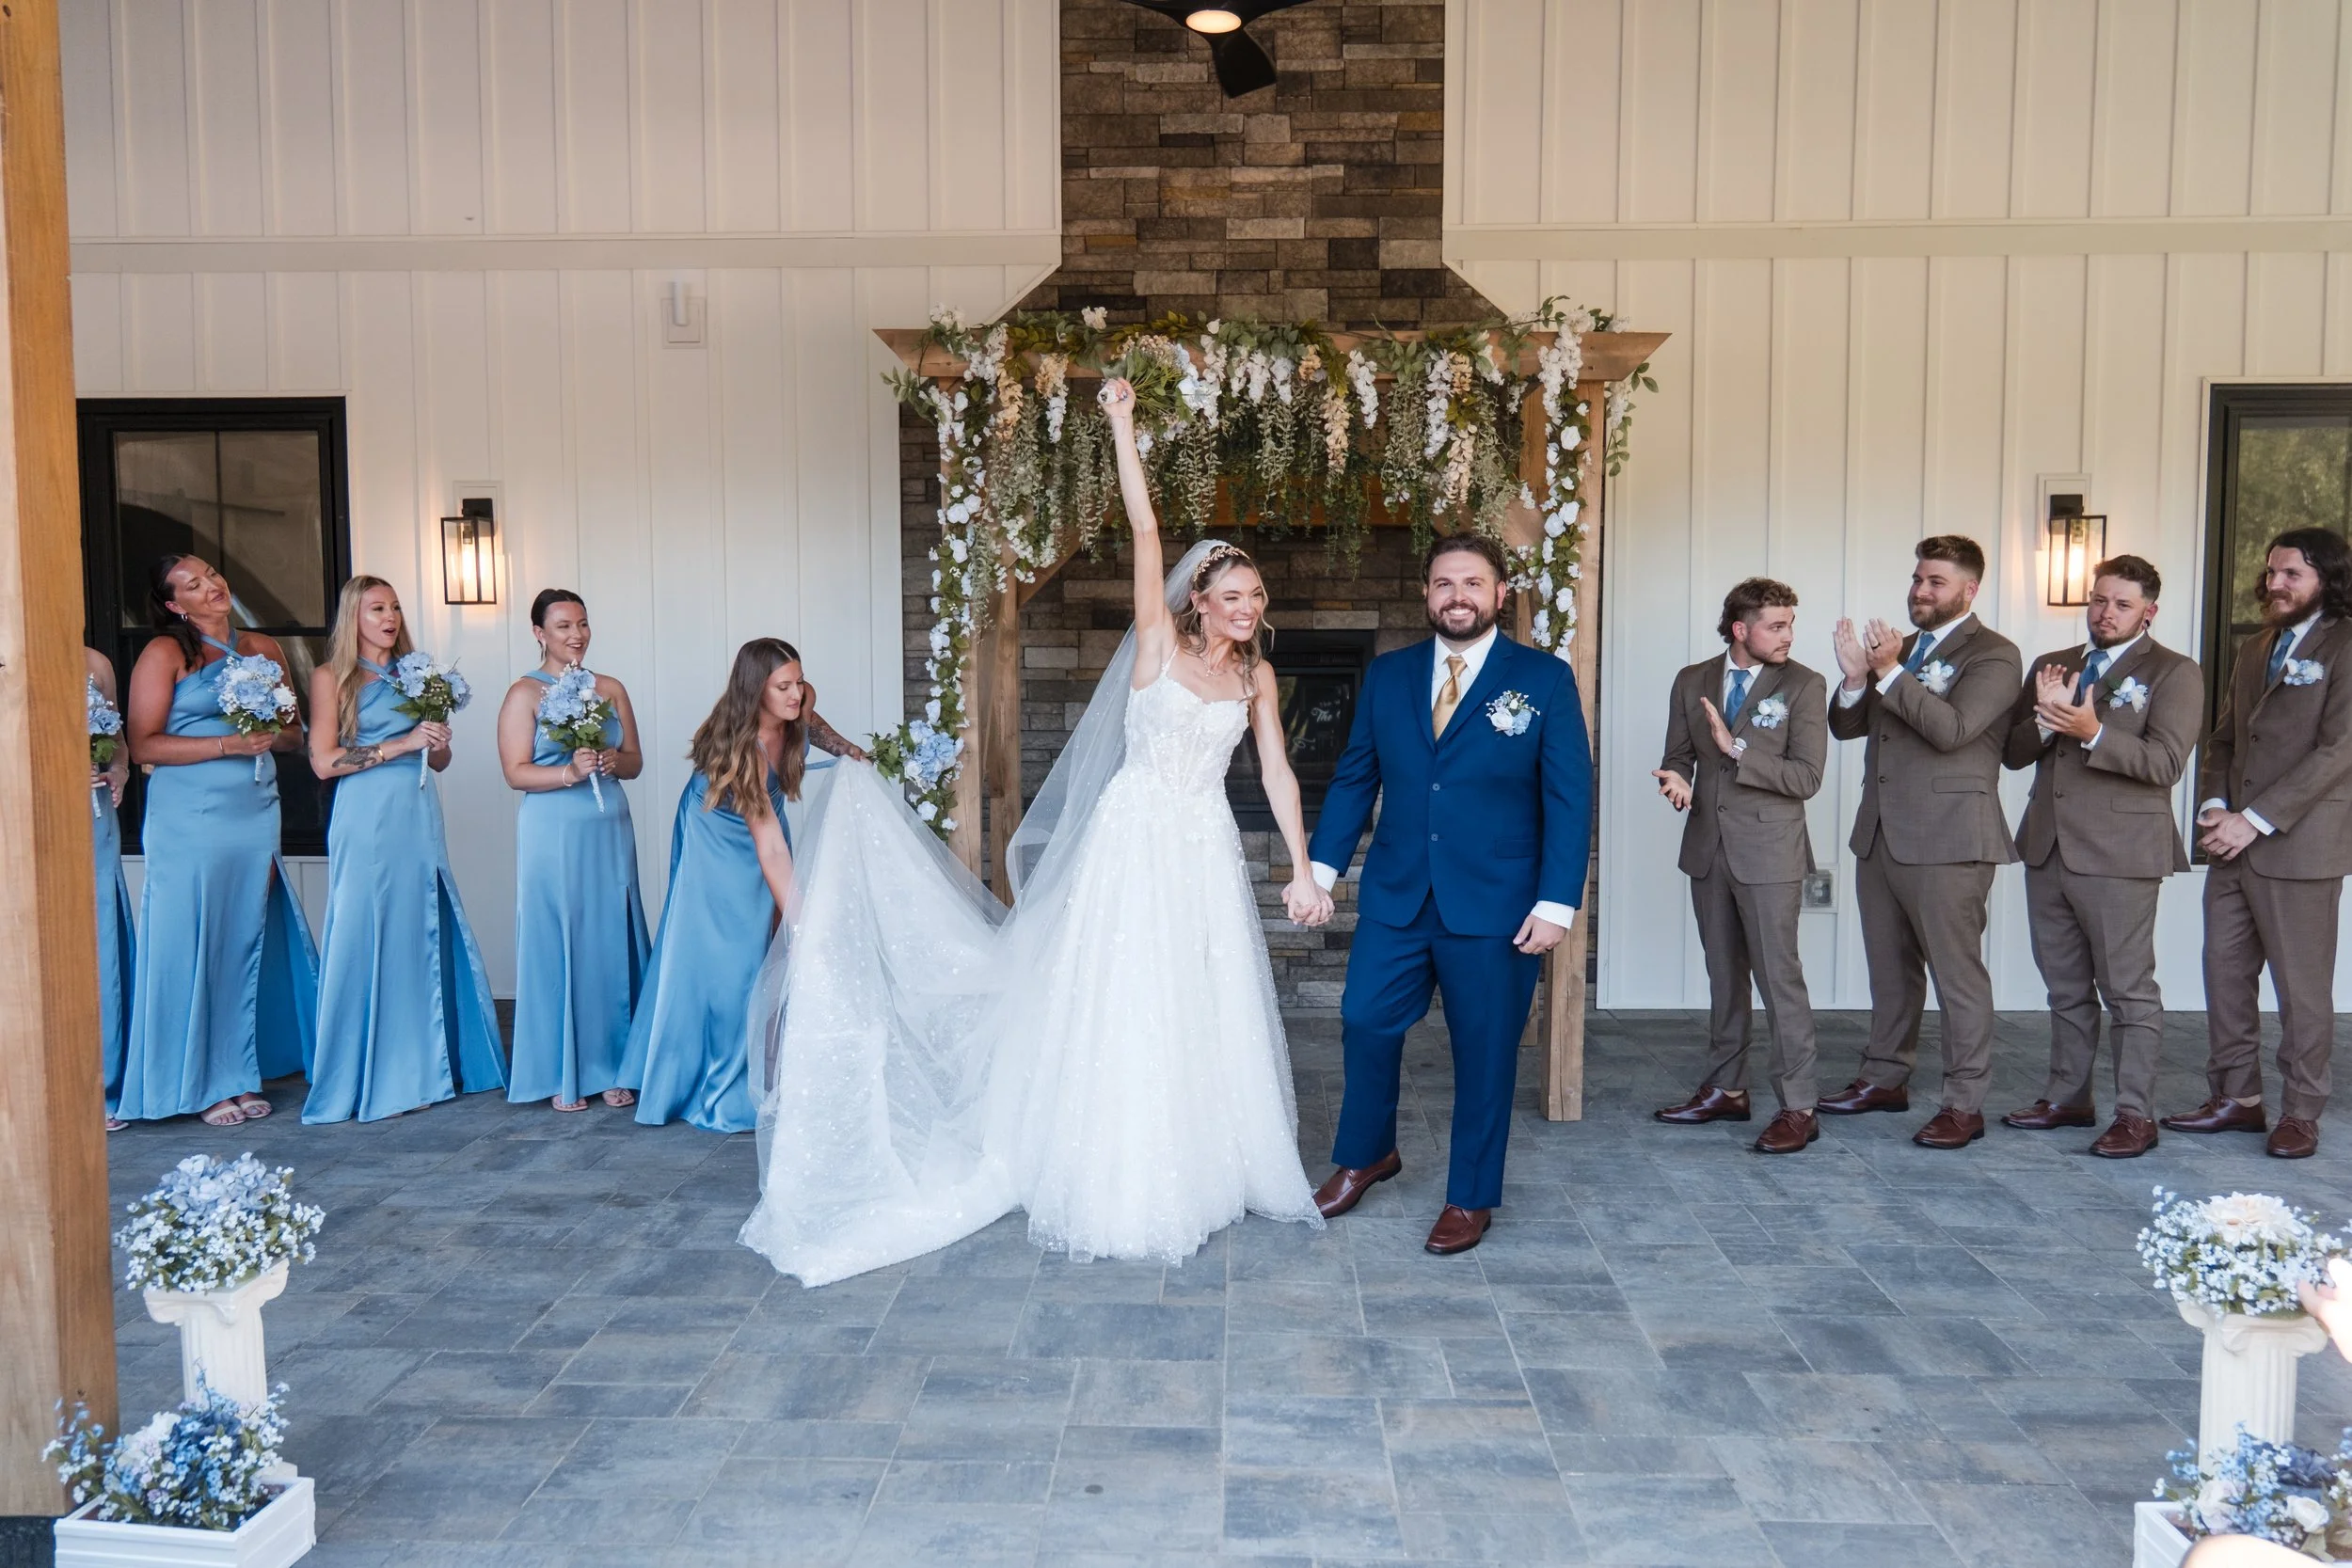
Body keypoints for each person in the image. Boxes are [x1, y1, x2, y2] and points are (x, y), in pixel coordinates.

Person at [739, 376, 1327, 1283]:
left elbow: (1279, 771)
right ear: (1200, 601)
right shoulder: (1158, 645)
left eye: (1256, 596)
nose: (1249, 609)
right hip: (1135, 843)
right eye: (1234, 595)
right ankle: (1122, 1169)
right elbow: (1142, 532)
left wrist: (1300, 867)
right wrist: (1124, 427)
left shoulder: (1257, 681)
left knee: (1204, 996)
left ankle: (1215, 1159)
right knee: (1129, 995)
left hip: (1203, 844)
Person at [1306, 532, 1595, 1255]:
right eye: (1443, 583)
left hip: (1500, 903)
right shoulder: (1390, 675)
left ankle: (1470, 1194)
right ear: (1426, 593)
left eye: (1472, 583)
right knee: (1365, 1019)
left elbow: (1568, 798)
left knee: (1485, 1051)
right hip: (1398, 894)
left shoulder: (1545, 679)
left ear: (1501, 593)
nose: (1456, 595)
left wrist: (1557, 902)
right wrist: (1321, 869)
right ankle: (1367, 1153)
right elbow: (1354, 777)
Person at [1820, 535, 2022, 1148]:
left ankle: (1964, 1101)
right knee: (1891, 968)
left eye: (1936, 580)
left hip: (1950, 838)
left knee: (1957, 976)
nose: (1920, 590)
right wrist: (1856, 680)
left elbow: (1952, 729)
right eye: (1916, 578)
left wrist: (1886, 671)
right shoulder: (1899, 651)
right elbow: (1849, 725)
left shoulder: (1994, 655)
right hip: (1881, 832)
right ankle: (1885, 1076)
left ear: (1969, 589)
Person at [1998, 555, 2200, 1158]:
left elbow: (2165, 764)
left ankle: (2136, 1114)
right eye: (2098, 600)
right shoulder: (2053, 667)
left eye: (2121, 604)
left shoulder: (2174, 672)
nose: (2105, 613)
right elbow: (2011, 752)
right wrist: (2046, 717)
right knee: (2064, 985)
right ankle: (2068, 1097)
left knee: (2128, 989)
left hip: (2121, 855)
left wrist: (2091, 731)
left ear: (2149, 612)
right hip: (2048, 844)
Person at [2167, 526, 2352, 1160]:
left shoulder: (2347, 644)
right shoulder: (2256, 649)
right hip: (2231, 843)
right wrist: (2217, 807)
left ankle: (2301, 1110)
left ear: (2326, 578)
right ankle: (2238, 1098)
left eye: (2291, 574)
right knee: (2224, 974)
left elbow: (2339, 750)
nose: (2274, 584)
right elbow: (2223, 740)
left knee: (2301, 989)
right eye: (2271, 572)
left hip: (2301, 845)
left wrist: (2260, 817)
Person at [115, 555, 318, 1126]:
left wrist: (265, 733)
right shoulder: (166, 653)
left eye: (212, 574)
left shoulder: (264, 650)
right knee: (189, 939)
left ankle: (236, 1073)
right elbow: (145, 744)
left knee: (239, 939)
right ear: (176, 604)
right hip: (190, 815)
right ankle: (194, 1083)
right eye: (194, 585)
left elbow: (295, 734)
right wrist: (227, 745)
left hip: (254, 812)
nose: (212, 586)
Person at [301, 577, 505, 1123]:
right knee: (369, 928)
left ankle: (427, 1065)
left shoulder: (416, 674)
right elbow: (324, 762)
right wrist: (405, 743)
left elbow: (437, 762)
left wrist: (436, 743)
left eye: (394, 607)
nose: (389, 617)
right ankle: (373, 1071)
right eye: (375, 609)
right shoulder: (331, 678)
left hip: (417, 813)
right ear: (354, 618)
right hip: (366, 816)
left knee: (422, 927)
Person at [1649, 578, 1827, 1154]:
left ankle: (1799, 1105)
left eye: (1791, 624)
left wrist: (1738, 750)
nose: (1788, 636)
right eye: (1777, 625)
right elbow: (1678, 754)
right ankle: (1727, 1089)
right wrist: (1676, 777)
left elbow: (1807, 778)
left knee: (1780, 981)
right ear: (1740, 629)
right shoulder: (1692, 680)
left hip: (1770, 853)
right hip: (1708, 848)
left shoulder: (1804, 685)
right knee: (1724, 976)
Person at [500, 590, 651, 1113]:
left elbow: (635, 762)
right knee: (561, 936)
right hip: (553, 831)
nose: (576, 635)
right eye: (563, 626)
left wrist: (612, 759)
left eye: (583, 624)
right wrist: (569, 771)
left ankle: (616, 1065)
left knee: (609, 937)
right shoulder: (524, 694)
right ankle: (562, 1069)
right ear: (539, 633)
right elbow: (515, 771)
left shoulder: (609, 688)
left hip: (609, 827)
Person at [88, 646, 135, 1132]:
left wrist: (116, 772)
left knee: (96, 939)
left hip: (94, 812)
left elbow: (117, 743)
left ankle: (98, 1080)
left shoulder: (95, 664)